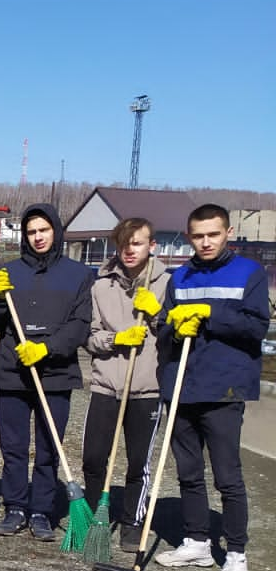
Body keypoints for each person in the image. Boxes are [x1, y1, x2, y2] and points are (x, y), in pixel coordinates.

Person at [154, 204, 270, 571]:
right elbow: (164, 331)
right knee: (188, 472)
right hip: (182, 385)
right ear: (189, 236)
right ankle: (197, 540)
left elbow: (256, 328)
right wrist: (172, 325)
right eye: (198, 236)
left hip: (224, 388)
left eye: (213, 235)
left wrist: (209, 315)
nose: (205, 242)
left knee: (227, 475)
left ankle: (236, 553)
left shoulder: (249, 273)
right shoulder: (180, 276)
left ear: (228, 232)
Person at [0, 202, 92, 541]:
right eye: (31, 232)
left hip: (55, 372)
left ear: (56, 231)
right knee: (13, 446)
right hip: (13, 373)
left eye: (43, 230)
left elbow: (81, 325)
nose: (37, 237)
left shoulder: (78, 275)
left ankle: (42, 510)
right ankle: (15, 506)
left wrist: (47, 348)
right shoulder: (9, 272)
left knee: (48, 446)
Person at [81, 217, 170, 552]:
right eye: (123, 244)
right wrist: (116, 339)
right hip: (107, 385)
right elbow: (88, 337)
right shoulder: (101, 286)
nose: (129, 250)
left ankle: (132, 522)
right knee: (93, 458)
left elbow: (176, 337)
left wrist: (158, 315)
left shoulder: (166, 284)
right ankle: (91, 517)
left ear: (152, 246)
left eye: (137, 243)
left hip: (146, 389)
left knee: (137, 463)